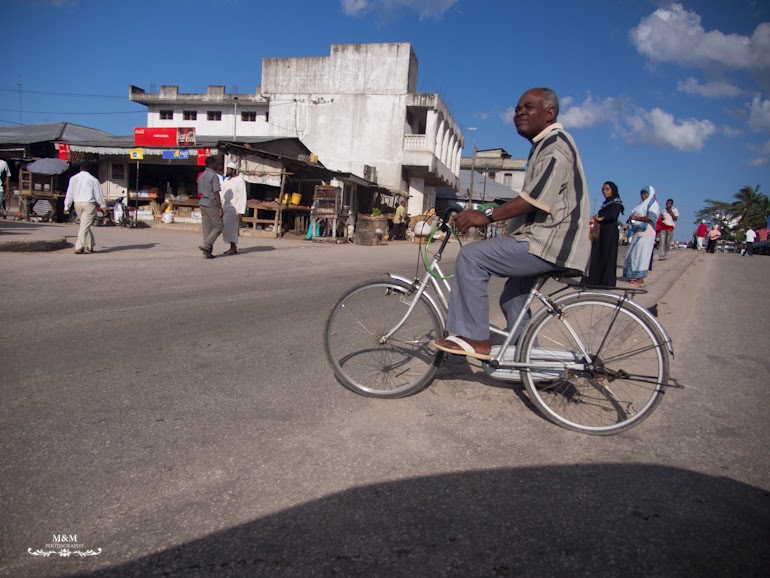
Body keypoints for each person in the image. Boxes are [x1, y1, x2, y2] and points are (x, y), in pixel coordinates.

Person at [432, 87, 589, 360]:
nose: (520, 112)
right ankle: (532, 363)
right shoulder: (543, 146)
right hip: (541, 239)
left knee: (472, 256)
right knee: (513, 296)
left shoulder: (555, 145)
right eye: (517, 108)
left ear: (549, 113)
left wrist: (486, 217)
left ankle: (474, 338)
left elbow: (534, 199)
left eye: (529, 107)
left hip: (550, 242)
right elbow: (528, 199)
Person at [585, 181, 624, 287]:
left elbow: (612, 216)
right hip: (601, 232)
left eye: (607, 189)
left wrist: (601, 218)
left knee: (608, 255)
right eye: (603, 189)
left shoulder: (616, 202)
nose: (604, 191)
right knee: (598, 254)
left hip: (610, 232)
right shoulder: (605, 203)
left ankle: (606, 281)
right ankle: (595, 279)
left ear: (613, 190)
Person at [63, 162, 107, 254]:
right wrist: (103, 207)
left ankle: (90, 245)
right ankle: (79, 246)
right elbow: (99, 195)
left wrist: (67, 206)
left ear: (80, 168)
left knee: (84, 225)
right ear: (90, 169)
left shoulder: (73, 179)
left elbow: (70, 193)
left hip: (77, 204)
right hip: (89, 204)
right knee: (84, 226)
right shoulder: (93, 180)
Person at [622, 186, 660, 286]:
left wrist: (636, 217)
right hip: (637, 232)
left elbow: (651, 217)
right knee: (634, 255)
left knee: (642, 256)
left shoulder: (653, 204)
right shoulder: (641, 205)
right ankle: (633, 275)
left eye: (645, 193)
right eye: (642, 193)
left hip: (646, 233)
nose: (643, 196)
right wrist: (632, 219)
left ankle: (640, 279)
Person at [197, 155, 223, 259]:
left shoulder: (201, 176)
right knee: (219, 226)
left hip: (202, 202)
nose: (218, 165)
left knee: (207, 228)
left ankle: (207, 251)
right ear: (212, 164)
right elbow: (216, 193)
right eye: (216, 163)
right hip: (211, 203)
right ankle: (206, 245)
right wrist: (220, 207)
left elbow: (199, 191)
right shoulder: (214, 176)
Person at [220, 161, 247, 255]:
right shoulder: (226, 180)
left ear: (233, 170)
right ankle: (232, 246)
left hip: (234, 208)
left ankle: (233, 246)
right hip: (225, 206)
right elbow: (222, 193)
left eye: (228, 169)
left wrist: (240, 211)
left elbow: (242, 196)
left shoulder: (240, 181)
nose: (226, 171)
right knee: (226, 227)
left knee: (231, 227)